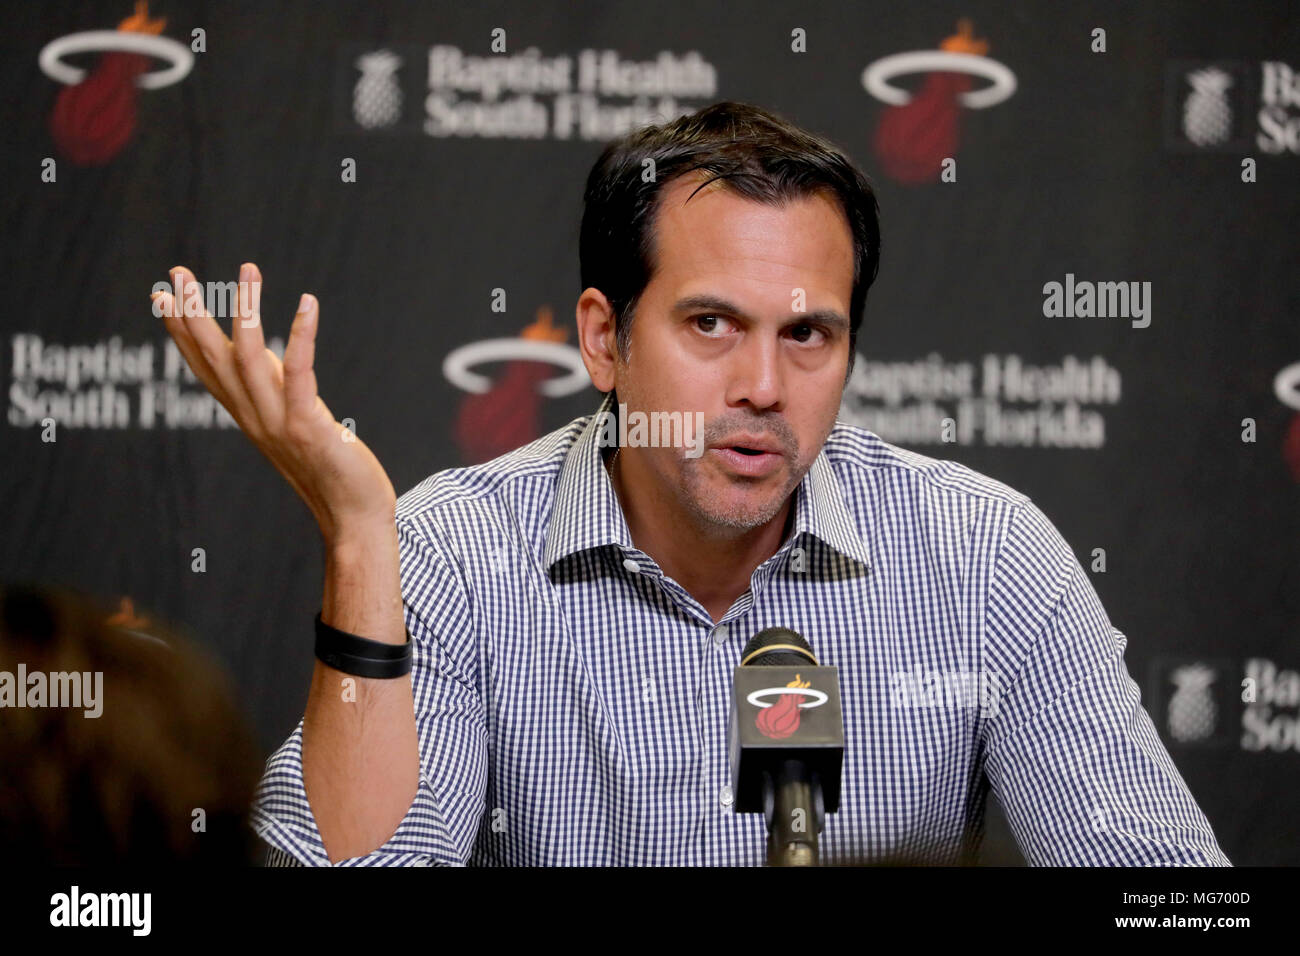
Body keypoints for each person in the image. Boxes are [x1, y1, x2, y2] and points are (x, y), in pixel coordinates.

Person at [153, 100, 1230, 866]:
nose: (762, 386)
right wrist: (355, 536)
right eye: (710, 324)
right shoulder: (448, 551)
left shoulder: (983, 555)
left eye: (808, 333)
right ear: (603, 337)